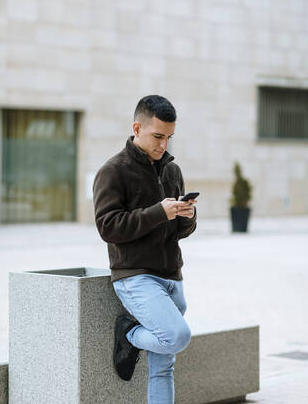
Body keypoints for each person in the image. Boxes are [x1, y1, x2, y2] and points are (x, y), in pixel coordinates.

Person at [93, 95, 198, 404]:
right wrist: (158, 213)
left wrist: (187, 216)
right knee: (176, 336)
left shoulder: (172, 171)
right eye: (157, 136)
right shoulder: (113, 171)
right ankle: (129, 333)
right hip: (136, 276)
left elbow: (178, 232)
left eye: (168, 137)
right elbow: (108, 227)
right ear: (137, 127)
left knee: (163, 370)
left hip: (171, 277)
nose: (163, 144)